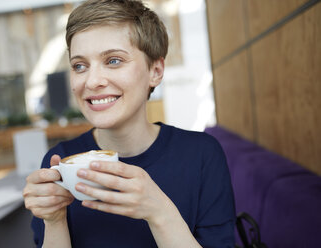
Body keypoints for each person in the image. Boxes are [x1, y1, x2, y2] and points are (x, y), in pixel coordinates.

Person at [22, 0, 236, 247]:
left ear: (155, 71)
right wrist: (54, 219)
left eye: (113, 61)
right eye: (80, 66)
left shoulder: (202, 155)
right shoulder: (60, 161)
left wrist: (160, 212)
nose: (92, 81)